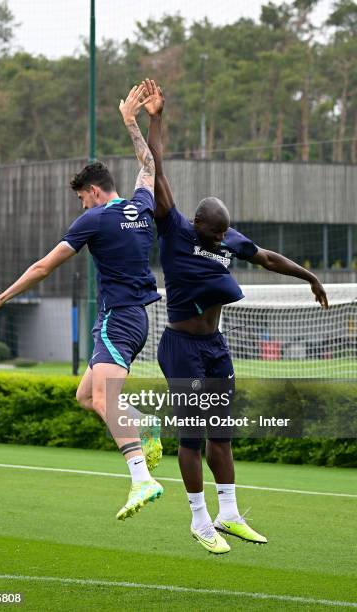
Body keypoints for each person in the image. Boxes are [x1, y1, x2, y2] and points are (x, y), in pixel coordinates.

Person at [142, 78, 329, 554]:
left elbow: (264, 256)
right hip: (181, 345)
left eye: (226, 233)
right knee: (193, 438)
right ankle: (200, 521)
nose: (222, 239)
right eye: (216, 232)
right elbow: (156, 167)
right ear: (199, 226)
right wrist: (156, 118)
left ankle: (229, 515)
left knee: (222, 434)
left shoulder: (224, 237)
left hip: (215, 345)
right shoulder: (176, 227)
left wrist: (309, 276)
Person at [0, 84, 164, 521]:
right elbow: (149, 164)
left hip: (118, 320)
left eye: (81, 197)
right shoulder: (140, 205)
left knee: (103, 399)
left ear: (93, 192)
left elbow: (44, 267)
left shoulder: (93, 219)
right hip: (133, 320)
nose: (81, 204)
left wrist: (2, 297)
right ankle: (147, 424)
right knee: (85, 396)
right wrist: (132, 122)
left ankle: (141, 479)